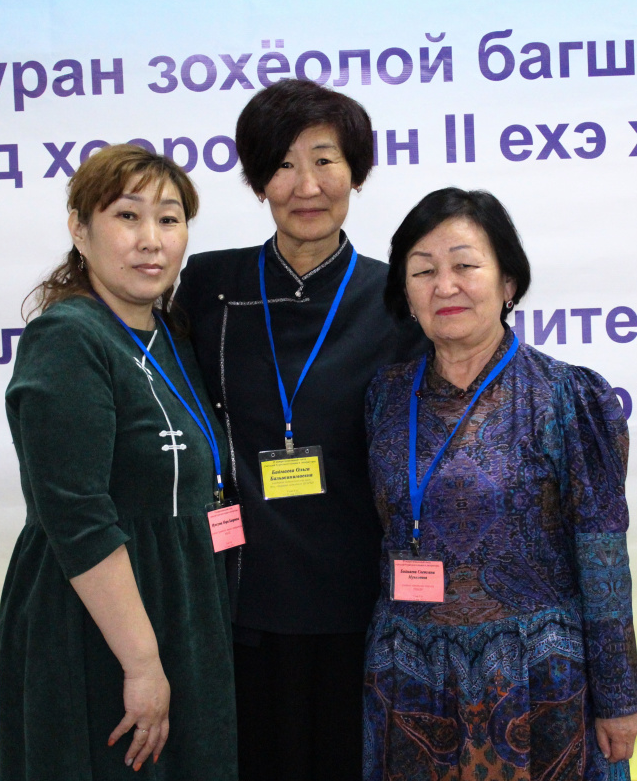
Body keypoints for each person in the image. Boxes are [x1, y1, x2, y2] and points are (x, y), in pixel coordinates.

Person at [173, 79, 427, 780]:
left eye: (325, 160)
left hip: (360, 600)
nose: (306, 186)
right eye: (283, 164)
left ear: (356, 173)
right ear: (259, 182)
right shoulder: (209, 287)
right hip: (242, 597)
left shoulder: (396, 297)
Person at [363, 188, 637, 781]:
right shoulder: (384, 397)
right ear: (406, 293)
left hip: (536, 680)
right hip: (411, 677)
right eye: (423, 271)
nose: (445, 286)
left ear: (508, 282)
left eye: (465, 265)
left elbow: (603, 560)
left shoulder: (568, 397)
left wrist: (619, 699)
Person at [0, 144, 237, 781]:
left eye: (169, 219)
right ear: (80, 230)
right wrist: (141, 663)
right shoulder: (68, 338)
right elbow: (76, 515)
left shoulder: (168, 335)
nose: (151, 240)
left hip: (178, 608)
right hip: (100, 626)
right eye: (128, 217)